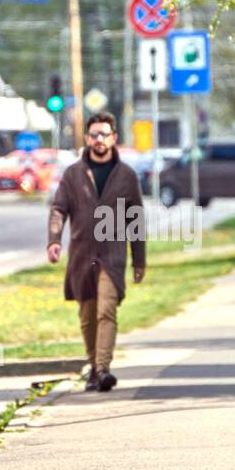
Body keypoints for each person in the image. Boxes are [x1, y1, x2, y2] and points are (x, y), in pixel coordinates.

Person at [47, 114, 147, 392]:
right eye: (94, 135)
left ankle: (103, 368)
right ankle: (94, 368)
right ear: (87, 139)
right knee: (87, 315)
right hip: (81, 257)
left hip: (112, 257)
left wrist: (139, 260)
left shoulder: (126, 175)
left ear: (114, 137)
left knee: (106, 311)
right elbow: (58, 209)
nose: (99, 140)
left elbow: (135, 219)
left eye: (104, 134)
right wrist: (54, 240)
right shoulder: (73, 174)